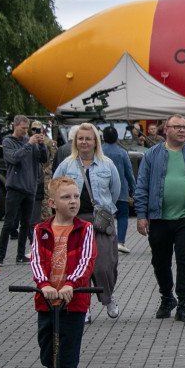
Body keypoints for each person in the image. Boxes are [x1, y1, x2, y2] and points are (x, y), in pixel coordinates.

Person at [30, 176, 96, 368]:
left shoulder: (84, 228)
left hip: (73, 303)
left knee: (66, 359)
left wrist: (71, 283)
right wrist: (44, 283)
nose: (73, 202)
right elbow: (35, 260)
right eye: (66, 197)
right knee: (49, 357)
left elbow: (86, 259)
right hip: (46, 303)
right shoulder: (41, 230)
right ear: (52, 203)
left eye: (76, 197)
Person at [134, 114, 185, 322]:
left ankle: (184, 304)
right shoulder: (152, 155)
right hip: (158, 218)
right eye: (177, 127)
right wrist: (141, 215)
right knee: (160, 262)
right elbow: (141, 186)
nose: (182, 131)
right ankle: (167, 297)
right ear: (165, 130)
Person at [54, 124, 122, 321]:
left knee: (104, 265)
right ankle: (83, 304)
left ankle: (108, 297)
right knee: (77, 266)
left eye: (88, 139)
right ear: (75, 142)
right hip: (74, 221)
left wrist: (103, 210)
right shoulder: (67, 165)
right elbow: (55, 188)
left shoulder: (106, 164)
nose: (84, 142)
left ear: (95, 142)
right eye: (80, 138)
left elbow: (115, 192)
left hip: (100, 221)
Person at [0, 115, 48, 265]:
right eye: (23, 128)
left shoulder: (30, 142)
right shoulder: (8, 142)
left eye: (27, 128)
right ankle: (0, 257)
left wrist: (41, 144)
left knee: (26, 223)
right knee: (9, 222)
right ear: (15, 126)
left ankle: (20, 255)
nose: (26, 131)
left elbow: (43, 159)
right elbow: (13, 158)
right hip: (14, 188)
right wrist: (28, 144)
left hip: (30, 188)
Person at [101, 126, 136, 254]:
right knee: (122, 216)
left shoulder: (98, 152)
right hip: (121, 191)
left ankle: (105, 243)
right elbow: (129, 173)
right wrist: (134, 190)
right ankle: (120, 242)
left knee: (104, 217)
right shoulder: (122, 153)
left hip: (103, 191)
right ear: (117, 137)